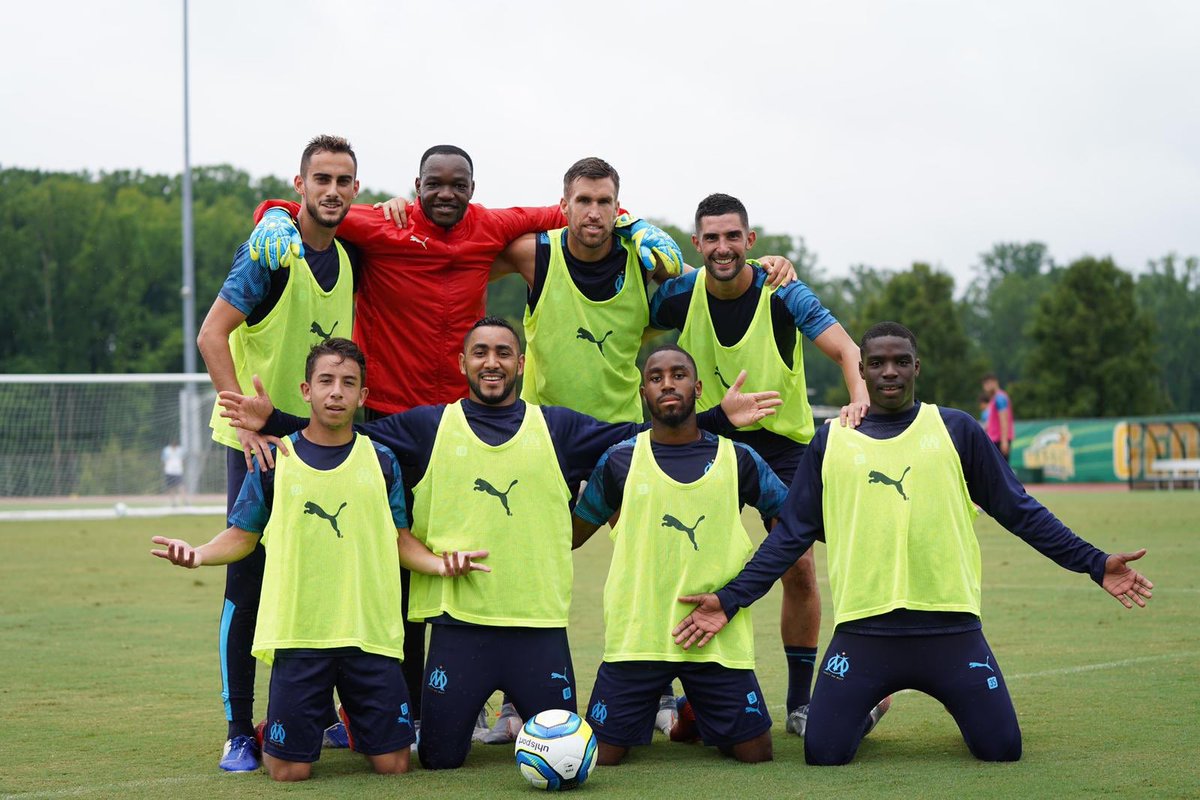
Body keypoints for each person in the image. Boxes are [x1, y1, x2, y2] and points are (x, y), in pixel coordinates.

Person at [216, 316, 781, 770]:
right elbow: (343, 431)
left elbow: (651, 433)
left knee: (571, 748)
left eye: (504, 352)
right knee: (439, 760)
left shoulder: (557, 428)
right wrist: (278, 420)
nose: (492, 362)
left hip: (538, 623)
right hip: (458, 622)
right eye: (481, 352)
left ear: (520, 363)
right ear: (462, 363)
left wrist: (716, 418)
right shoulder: (428, 427)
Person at [245, 146, 681, 729]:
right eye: (434, 183)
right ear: (416, 185)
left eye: (458, 184)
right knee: (397, 567)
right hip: (397, 422)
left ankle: (613, 691)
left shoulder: (492, 226)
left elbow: (569, 215)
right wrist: (273, 212)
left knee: (514, 552)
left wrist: (635, 222)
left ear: (473, 188)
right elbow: (321, 209)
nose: (446, 193)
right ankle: (398, 708)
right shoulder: (383, 225)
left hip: (492, 426)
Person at [672, 321, 1154, 766]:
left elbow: (1020, 511)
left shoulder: (957, 429)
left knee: (1002, 750)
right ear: (861, 370)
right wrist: (730, 600)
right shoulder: (831, 441)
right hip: (864, 631)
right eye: (877, 363)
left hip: (951, 629)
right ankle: (871, 706)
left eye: (901, 361)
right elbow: (789, 537)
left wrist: (1095, 563)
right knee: (823, 753)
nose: (890, 371)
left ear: (916, 367)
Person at [151, 339, 489, 781]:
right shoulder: (276, 460)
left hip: (367, 636)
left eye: (348, 383)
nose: (336, 392)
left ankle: (352, 717)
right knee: (288, 771)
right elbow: (241, 536)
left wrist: (441, 564)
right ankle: (278, 727)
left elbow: (400, 540)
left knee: (394, 765)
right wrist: (197, 554)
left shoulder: (382, 461)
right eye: (326, 380)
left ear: (363, 396)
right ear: (306, 390)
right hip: (300, 637)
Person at [649, 193, 870, 737]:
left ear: (750, 241)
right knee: (677, 557)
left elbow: (847, 350)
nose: (722, 247)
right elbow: (623, 315)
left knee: (798, 566)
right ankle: (661, 688)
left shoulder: (783, 291)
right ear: (697, 244)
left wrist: (860, 401)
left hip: (784, 448)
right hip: (711, 437)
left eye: (733, 236)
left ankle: (800, 704)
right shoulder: (679, 294)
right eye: (711, 238)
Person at [195, 134, 360, 771]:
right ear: (300, 185)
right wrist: (245, 424)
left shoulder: (348, 255)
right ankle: (239, 730)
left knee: (321, 570)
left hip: (317, 438)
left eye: (343, 181)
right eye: (321, 179)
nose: (332, 191)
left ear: (355, 189)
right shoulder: (269, 251)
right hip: (260, 443)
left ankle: (319, 712)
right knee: (250, 579)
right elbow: (212, 335)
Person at [572, 344, 787, 764]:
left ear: (698, 387)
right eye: (656, 378)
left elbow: (793, 527)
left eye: (678, 375)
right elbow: (573, 536)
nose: (667, 384)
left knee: (756, 754)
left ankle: (693, 711)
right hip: (639, 637)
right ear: (644, 392)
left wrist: (736, 595)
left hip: (713, 633)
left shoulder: (738, 458)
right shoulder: (619, 460)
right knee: (604, 757)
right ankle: (691, 712)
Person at [982, 373, 1014, 462]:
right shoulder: (994, 398)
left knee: (1001, 468)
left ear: (995, 382)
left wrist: (1004, 441)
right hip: (995, 439)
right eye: (984, 384)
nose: (985, 387)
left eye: (987, 383)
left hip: (999, 440)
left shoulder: (1000, 398)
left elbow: (1004, 419)